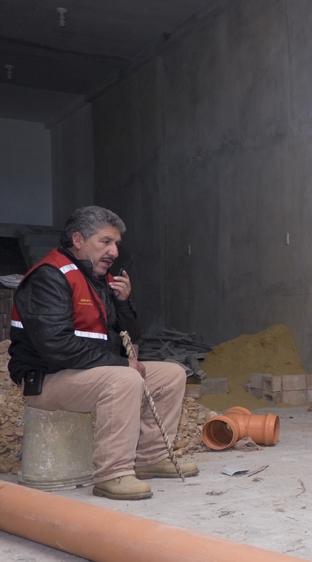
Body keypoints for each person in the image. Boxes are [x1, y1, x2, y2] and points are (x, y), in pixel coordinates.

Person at [8, 206, 198, 500]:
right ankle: (112, 474)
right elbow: (55, 346)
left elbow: (127, 337)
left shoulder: (98, 279)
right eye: (106, 242)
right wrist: (121, 364)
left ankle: (151, 457)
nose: (114, 252)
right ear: (78, 239)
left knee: (171, 374)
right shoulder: (49, 277)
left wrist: (123, 302)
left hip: (86, 373)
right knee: (124, 379)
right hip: (46, 380)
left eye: (116, 244)